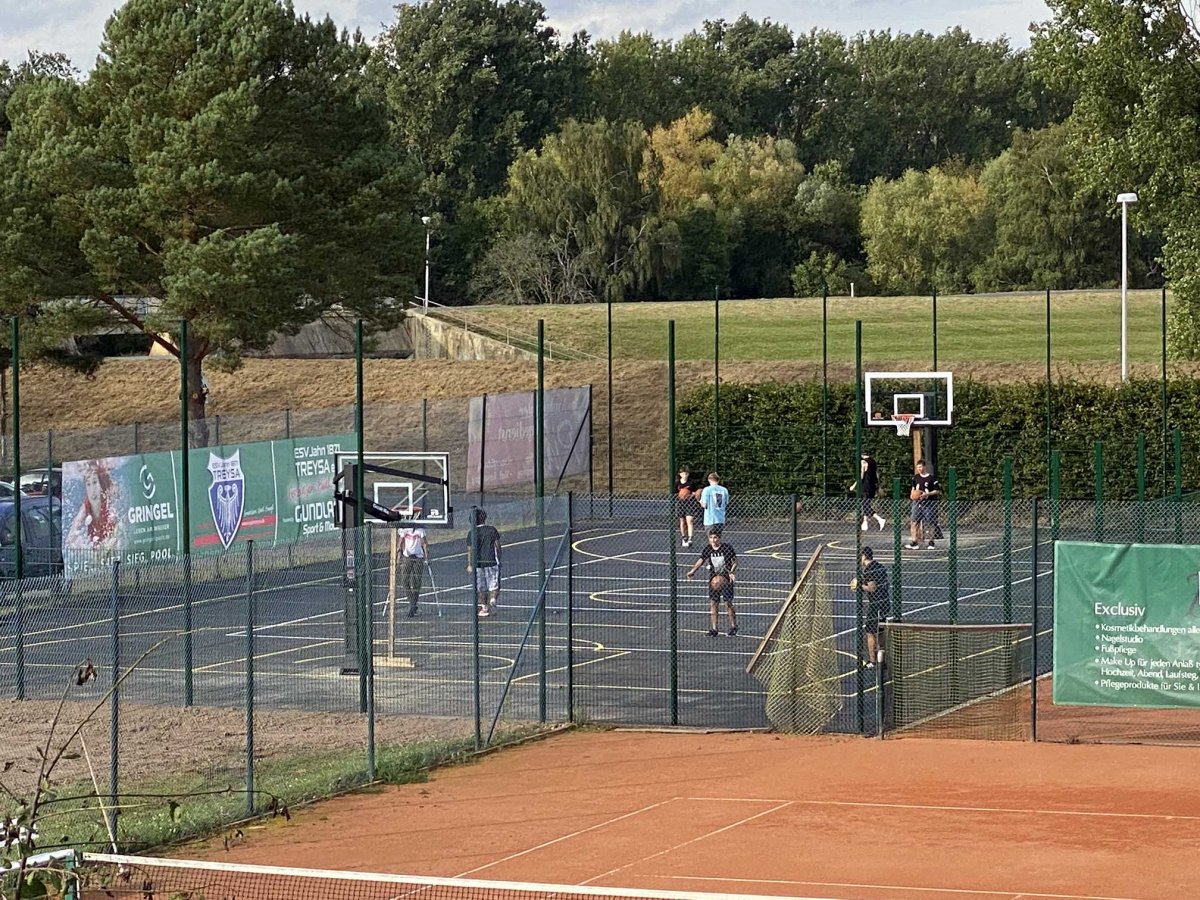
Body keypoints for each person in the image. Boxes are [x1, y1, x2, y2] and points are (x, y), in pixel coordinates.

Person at [686, 526, 739, 637]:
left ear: (719, 538)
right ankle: (714, 628)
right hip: (713, 579)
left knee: (728, 603)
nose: (713, 540)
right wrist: (693, 571)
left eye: (715, 538)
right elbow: (701, 560)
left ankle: (734, 626)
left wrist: (731, 572)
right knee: (713, 603)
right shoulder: (708, 549)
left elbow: (735, 561)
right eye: (711, 538)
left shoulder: (727, 548)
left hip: (726, 578)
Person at [850, 546, 890, 667]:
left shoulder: (869, 570)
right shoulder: (880, 566)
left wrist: (860, 586)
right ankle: (882, 659)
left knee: (870, 632)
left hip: (875, 605)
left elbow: (872, 588)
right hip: (885, 602)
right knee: (880, 630)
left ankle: (873, 660)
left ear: (863, 556)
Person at [467, 508, 502, 617]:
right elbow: (497, 545)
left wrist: (470, 564)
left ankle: (484, 607)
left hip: (478, 563)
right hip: (491, 561)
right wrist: (499, 558)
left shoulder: (472, 533)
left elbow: (470, 550)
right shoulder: (492, 530)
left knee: (481, 587)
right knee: (494, 585)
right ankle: (493, 600)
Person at [396, 510, 428, 617]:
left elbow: (424, 544)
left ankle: (413, 605)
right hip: (407, 557)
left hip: (418, 557)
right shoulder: (405, 530)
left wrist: (427, 557)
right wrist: (398, 557)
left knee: (416, 582)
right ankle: (413, 604)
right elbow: (400, 543)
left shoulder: (420, 530)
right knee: (405, 580)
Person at [906, 458, 941, 550]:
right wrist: (912, 495)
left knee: (930, 522)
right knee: (914, 522)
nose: (919, 469)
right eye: (918, 467)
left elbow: (937, 490)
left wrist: (927, 494)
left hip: (928, 503)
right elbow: (913, 488)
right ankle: (914, 542)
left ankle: (931, 542)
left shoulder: (931, 478)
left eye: (921, 467)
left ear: (925, 467)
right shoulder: (916, 477)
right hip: (917, 503)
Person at [858, 451, 886, 532]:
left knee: (865, 504)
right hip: (873, 486)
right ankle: (865, 522)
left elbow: (861, 475)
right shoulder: (873, 462)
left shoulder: (863, 462)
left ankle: (879, 519)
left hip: (866, 486)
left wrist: (855, 484)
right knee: (866, 503)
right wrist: (879, 486)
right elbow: (877, 474)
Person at [674, 466, 701, 547]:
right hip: (681, 503)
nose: (685, 475)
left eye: (686, 473)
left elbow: (696, 492)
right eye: (683, 473)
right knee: (682, 521)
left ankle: (690, 538)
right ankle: (684, 537)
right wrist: (680, 495)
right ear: (680, 474)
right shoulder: (677, 483)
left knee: (690, 520)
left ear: (688, 474)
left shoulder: (691, 483)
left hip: (690, 503)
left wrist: (692, 494)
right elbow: (675, 493)